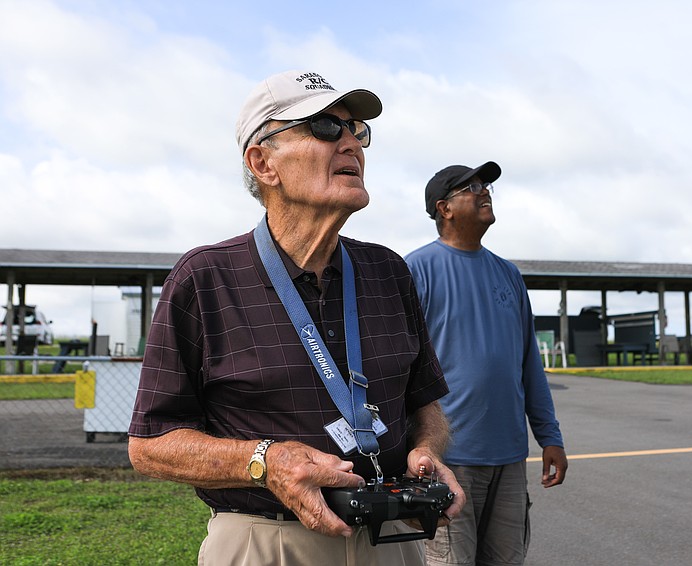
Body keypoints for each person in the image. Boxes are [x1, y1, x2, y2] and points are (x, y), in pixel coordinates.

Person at [128, 70, 464, 566]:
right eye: (327, 128)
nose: (351, 143)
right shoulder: (204, 278)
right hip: (266, 543)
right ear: (263, 163)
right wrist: (266, 461)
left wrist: (428, 453)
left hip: (388, 537)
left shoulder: (388, 270)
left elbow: (424, 406)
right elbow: (150, 446)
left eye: (358, 131)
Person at [404, 161, 568, 566]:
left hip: (509, 458)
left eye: (487, 184)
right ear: (444, 208)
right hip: (448, 459)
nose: (484, 191)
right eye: (472, 186)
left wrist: (550, 437)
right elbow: (397, 369)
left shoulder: (508, 275)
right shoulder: (416, 270)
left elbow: (530, 364)